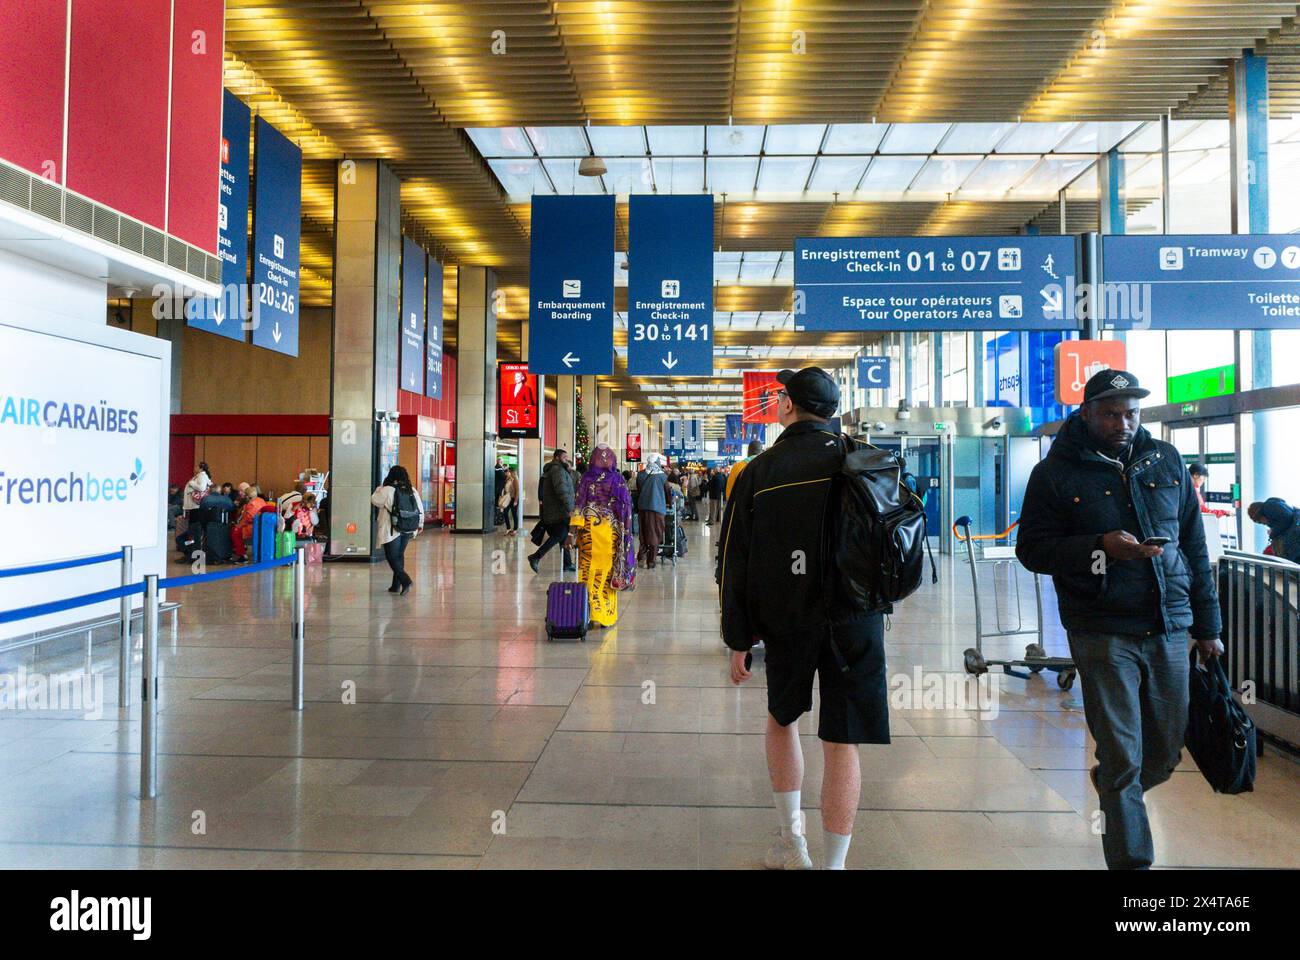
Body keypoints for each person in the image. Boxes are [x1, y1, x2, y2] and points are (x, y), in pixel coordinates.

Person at [1016, 369, 1222, 871]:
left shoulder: (1166, 460)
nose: (1123, 423)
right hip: (1101, 627)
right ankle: (1133, 864)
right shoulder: (1056, 473)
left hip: (1170, 626)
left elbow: (1194, 546)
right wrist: (1098, 549)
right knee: (1123, 753)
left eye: (1131, 413)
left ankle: (1113, 786)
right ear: (1086, 414)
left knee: (1165, 752)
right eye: (1110, 413)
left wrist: (1208, 625)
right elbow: (1033, 549)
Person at [721, 366, 889, 871]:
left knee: (782, 719)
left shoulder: (760, 472)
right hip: (857, 620)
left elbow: (736, 560)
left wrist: (738, 637)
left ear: (790, 406)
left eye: (779, 398)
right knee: (842, 741)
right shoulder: (866, 463)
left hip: (786, 618)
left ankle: (791, 843)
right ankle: (835, 863)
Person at [564, 444, 636, 628]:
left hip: (589, 535)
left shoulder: (586, 479)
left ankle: (587, 614)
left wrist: (571, 534)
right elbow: (625, 509)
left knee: (588, 573)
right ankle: (605, 615)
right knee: (606, 574)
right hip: (610, 535)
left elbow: (578, 507)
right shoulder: (618, 479)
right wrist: (625, 535)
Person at [371, 465, 424, 595]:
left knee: (392, 556)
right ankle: (396, 585)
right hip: (408, 527)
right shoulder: (411, 490)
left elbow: (374, 500)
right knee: (399, 555)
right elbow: (420, 508)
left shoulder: (388, 490)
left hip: (392, 528)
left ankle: (405, 581)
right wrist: (420, 524)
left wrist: (380, 488)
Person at [529, 449, 577, 573]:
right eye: (564, 457)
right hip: (558, 511)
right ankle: (535, 556)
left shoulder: (558, 470)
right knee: (560, 535)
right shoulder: (557, 470)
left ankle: (567, 564)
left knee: (563, 536)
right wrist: (570, 508)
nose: (567, 460)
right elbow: (562, 491)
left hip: (556, 510)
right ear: (557, 458)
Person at [636, 453, 669, 569]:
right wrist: (670, 502)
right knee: (655, 534)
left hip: (642, 508)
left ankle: (641, 557)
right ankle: (651, 561)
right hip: (657, 509)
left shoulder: (640, 475)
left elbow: (639, 490)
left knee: (643, 533)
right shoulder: (662, 476)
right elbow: (667, 492)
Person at [1247, 498, 1300, 563]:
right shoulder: (1273, 507)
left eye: (1260, 522)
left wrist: (1273, 533)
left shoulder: (1268, 506)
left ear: (1261, 516)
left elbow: (1287, 517)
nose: (1263, 524)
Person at [230, 484, 268, 561]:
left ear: (248, 496)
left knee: (235, 532)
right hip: (261, 525)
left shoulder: (251, 504)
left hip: (253, 527)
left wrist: (238, 526)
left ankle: (242, 554)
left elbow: (248, 519)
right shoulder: (261, 500)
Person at [182, 462, 212, 533]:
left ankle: (194, 541)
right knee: (193, 525)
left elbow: (201, 488)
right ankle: (192, 540)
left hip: (196, 505)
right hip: (194, 505)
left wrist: (192, 483)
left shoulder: (202, 476)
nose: (195, 468)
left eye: (196, 467)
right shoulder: (198, 476)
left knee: (194, 525)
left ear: (201, 468)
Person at [503, 467, 521, 535]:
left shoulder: (516, 479)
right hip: (509, 499)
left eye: (509, 472)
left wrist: (515, 501)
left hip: (514, 499)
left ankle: (515, 529)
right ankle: (508, 528)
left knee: (514, 514)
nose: (508, 473)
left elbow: (517, 491)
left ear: (512, 472)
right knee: (505, 513)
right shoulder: (509, 478)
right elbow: (506, 488)